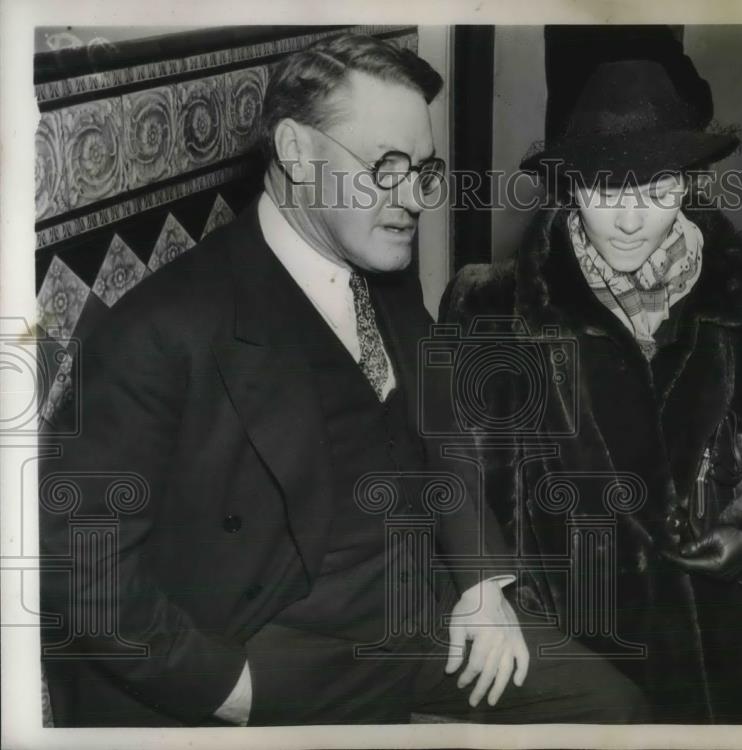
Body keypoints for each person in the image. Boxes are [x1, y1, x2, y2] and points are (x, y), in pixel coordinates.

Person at [39, 32, 647, 727]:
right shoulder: (160, 330)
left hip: (420, 606)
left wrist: (481, 579)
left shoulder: (378, 258)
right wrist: (230, 689)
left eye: (423, 169)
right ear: (297, 152)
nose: (414, 198)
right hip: (278, 649)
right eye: (386, 165)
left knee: (613, 713)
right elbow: (79, 565)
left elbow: (435, 420)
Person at [439, 59, 742, 723]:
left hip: (717, 627)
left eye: (657, 189)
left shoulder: (740, 292)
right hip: (581, 628)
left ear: (687, 185)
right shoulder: (498, 309)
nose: (634, 220)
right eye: (608, 190)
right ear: (572, 184)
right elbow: (473, 475)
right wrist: (507, 595)